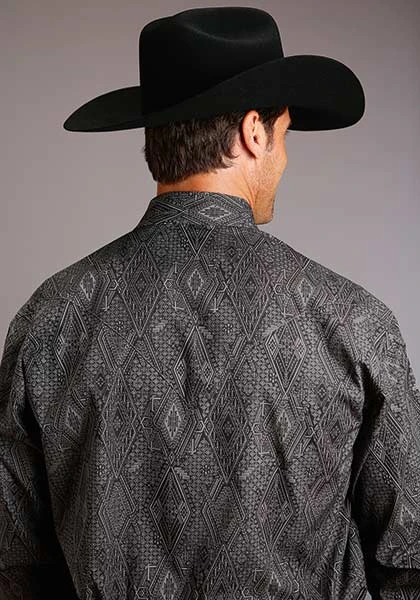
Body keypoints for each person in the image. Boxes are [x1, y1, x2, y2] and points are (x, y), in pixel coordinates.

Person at [1, 7, 419, 600]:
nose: (284, 157)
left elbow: (15, 566)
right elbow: (409, 558)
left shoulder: (50, 319)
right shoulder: (351, 323)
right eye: (284, 134)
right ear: (254, 132)